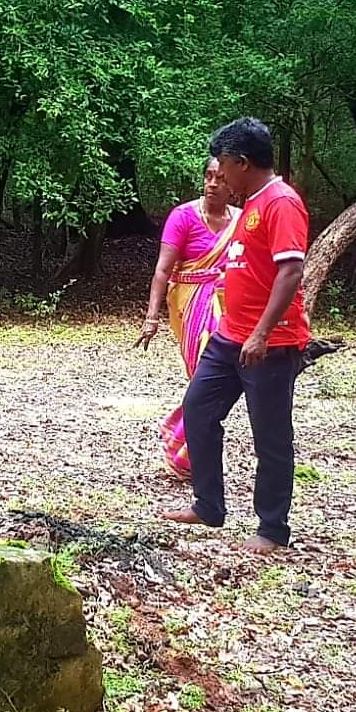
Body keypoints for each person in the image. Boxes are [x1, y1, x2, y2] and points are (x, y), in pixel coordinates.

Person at [162, 117, 310, 555]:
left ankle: (272, 529)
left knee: (271, 435)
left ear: (243, 162)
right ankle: (208, 505)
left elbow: (291, 271)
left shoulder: (281, 203)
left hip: (270, 343)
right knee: (198, 408)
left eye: (223, 165)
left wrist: (262, 333)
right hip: (230, 335)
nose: (220, 176)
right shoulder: (252, 204)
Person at [136, 157, 240, 479]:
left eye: (220, 178)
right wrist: (152, 317)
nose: (212, 184)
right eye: (208, 176)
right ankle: (188, 453)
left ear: (233, 184)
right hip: (191, 304)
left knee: (218, 381)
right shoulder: (183, 216)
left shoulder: (242, 220)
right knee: (204, 378)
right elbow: (162, 270)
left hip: (232, 307)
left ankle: (184, 446)